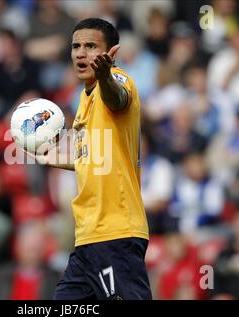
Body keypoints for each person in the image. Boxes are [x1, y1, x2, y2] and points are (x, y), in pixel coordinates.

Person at [25, 18, 151, 300]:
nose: (81, 53)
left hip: (116, 232)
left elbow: (117, 98)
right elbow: (94, 158)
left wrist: (106, 75)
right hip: (87, 238)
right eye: (76, 46)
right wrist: (52, 158)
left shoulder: (118, 80)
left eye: (91, 46)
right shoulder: (83, 98)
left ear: (111, 53)